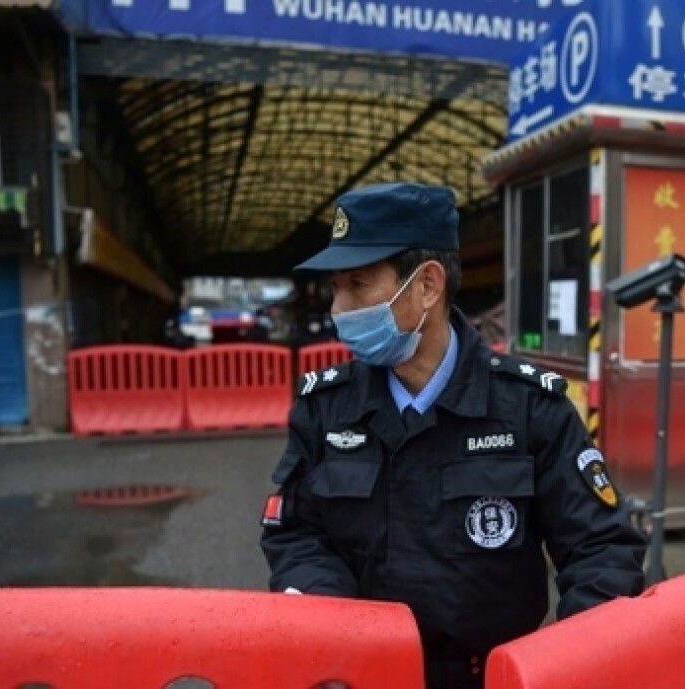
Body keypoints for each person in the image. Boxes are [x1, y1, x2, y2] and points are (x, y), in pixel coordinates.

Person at [260, 182, 645, 689]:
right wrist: (339, 621)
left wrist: (567, 662)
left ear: (427, 286)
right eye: (336, 288)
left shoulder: (529, 409)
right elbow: (294, 534)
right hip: (359, 676)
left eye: (357, 284)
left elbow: (602, 548)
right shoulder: (325, 410)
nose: (340, 308)